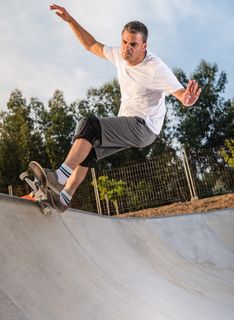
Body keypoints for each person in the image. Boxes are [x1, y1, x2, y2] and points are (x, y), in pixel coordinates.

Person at [46, 3, 201, 212]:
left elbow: (181, 94)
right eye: (124, 42)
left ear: (144, 46)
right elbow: (91, 44)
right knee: (88, 149)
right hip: (128, 122)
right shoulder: (119, 54)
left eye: (133, 45)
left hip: (144, 127)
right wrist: (71, 20)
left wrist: (187, 99)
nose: (126, 48)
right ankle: (65, 197)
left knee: (88, 124)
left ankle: (59, 177)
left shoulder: (156, 68)